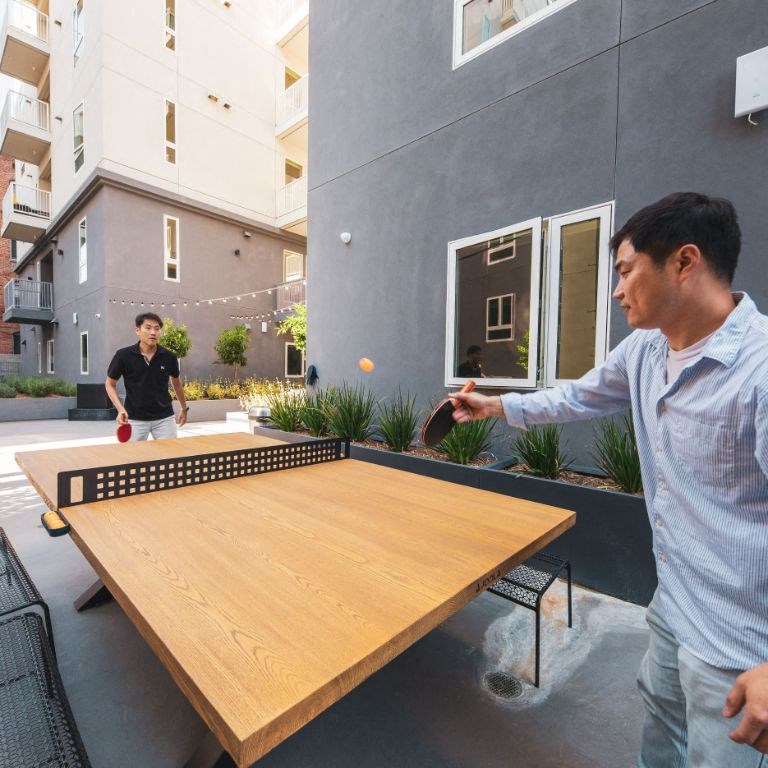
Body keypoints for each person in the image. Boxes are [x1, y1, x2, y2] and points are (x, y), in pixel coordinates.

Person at [450, 192, 768, 766]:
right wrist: (495, 408)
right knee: (661, 733)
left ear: (684, 262)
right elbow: (577, 395)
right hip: (675, 602)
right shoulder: (646, 349)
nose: (617, 291)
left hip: (743, 641)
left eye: (625, 272)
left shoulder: (761, 370)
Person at [105, 312, 188, 440]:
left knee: (169, 458)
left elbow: (176, 383)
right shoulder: (123, 356)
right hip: (134, 419)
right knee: (134, 459)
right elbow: (110, 384)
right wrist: (120, 409)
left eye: (157, 328)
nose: (153, 332)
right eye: (148, 328)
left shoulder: (169, 357)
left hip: (164, 419)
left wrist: (184, 408)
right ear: (137, 330)